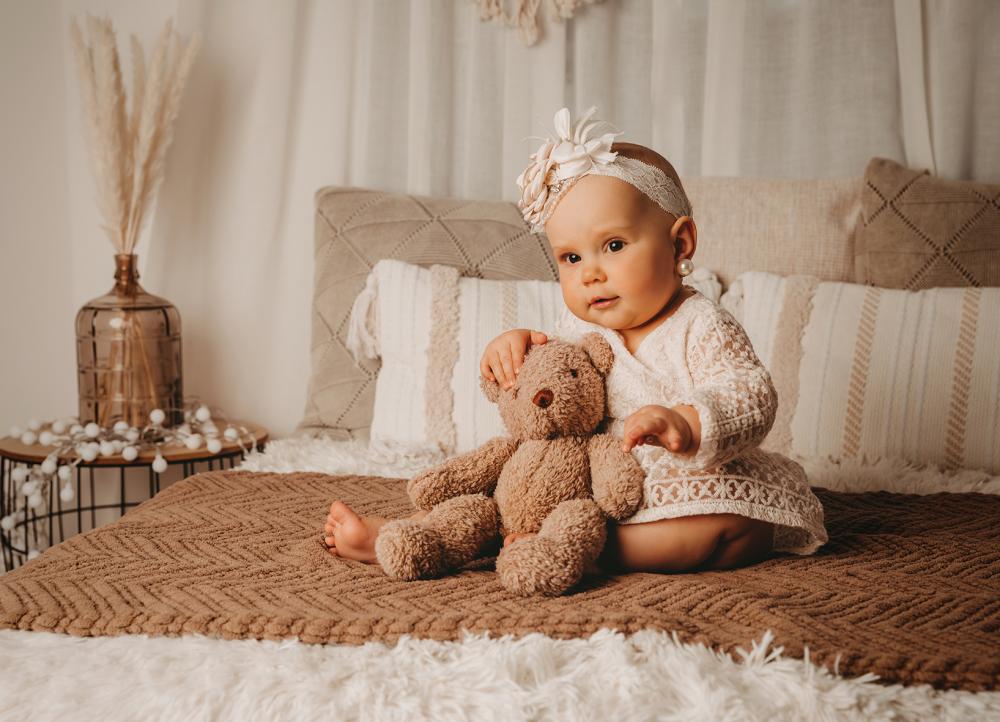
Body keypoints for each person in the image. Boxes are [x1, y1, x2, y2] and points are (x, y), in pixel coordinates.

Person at [324, 106, 827, 573]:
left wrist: (688, 422)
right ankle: (409, 539)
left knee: (733, 529)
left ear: (680, 243)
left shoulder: (701, 325)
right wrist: (513, 349)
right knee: (499, 500)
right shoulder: (581, 330)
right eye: (571, 258)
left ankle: (570, 549)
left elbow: (751, 391)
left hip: (679, 482)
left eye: (612, 246)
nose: (590, 274)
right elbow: (545, 393)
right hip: (577, 485)